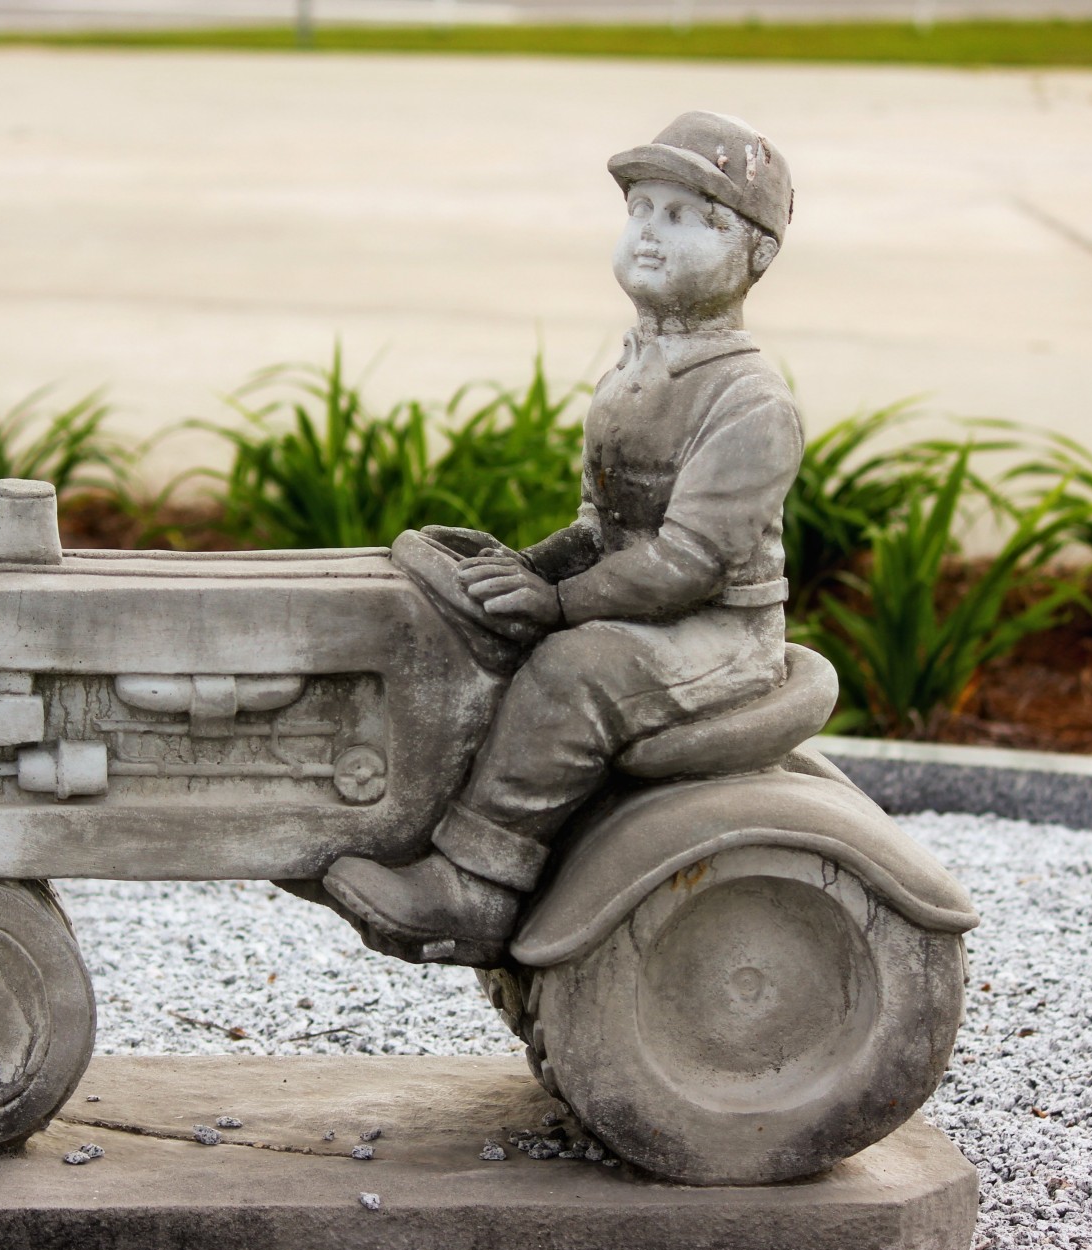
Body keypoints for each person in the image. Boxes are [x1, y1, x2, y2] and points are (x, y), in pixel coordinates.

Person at [324, 111, 806, 963]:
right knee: (470, 626)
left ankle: (475, 884)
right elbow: (601, 527)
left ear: (755, 254)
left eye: (687, 218)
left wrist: (557, 605)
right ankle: (399, 810)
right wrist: (523, 571)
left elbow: (692, 562)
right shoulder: (632, 373)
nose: (651, 236)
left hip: (720, 634)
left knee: (573, 671)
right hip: (647, 601)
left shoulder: (749, 400)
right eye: (642, 212)